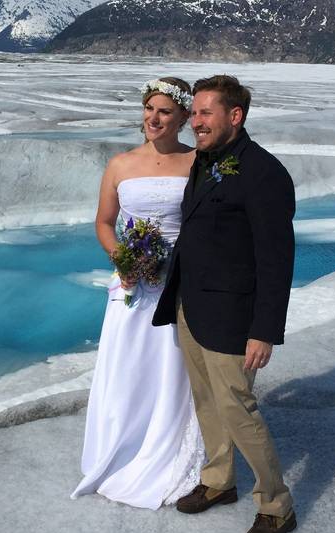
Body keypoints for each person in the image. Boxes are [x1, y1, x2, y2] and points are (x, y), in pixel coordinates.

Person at [152, 75, 298, 533]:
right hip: (192, 307)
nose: (195, 122)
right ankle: (219, 481)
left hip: (235, 317)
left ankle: (276, 505)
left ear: (235, 116)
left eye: (205, 113)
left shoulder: (264, 174)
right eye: (193, 113)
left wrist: (265, 330)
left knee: (239, 410)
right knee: (207, 403)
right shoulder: (206, 160)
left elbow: (276, 261)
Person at [71, 78, 205, 509]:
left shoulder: (200, 162)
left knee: (171, 366)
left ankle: (165, 452)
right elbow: (104, 223)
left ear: (183, 116)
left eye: (165, 111)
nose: (154, 118)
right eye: (150, 108)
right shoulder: (120, 164)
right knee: (127, 364)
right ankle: (119, 446)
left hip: (179, 283)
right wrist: (123, 261)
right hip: (131, 286)